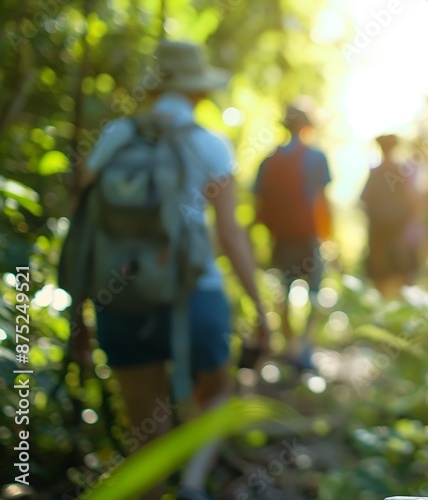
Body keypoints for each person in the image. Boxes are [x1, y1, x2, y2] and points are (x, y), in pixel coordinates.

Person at [70, 40, 269, 500]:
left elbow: (86, 227)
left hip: (121, 301)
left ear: (153, 89)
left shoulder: (114, 138)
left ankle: (156, 489)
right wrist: (261, 308)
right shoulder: (211, 146)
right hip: (195, 295)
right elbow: (232, 236)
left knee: (147, 436)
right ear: (198, 92)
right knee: (218, 397)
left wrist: (79, 311)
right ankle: (195, 485)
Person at [254, 100, 332, 369]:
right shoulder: (316, 157)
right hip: (308, 238)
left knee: (283, 290)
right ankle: (305, 345)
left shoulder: (270, 160)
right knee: (315, 291)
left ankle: (289, 345)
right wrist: (327, 238)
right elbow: (321, 202)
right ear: (306, 127)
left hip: (280, 239)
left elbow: (259, 204)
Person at [360, 134, 421, 298]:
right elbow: (413, 201)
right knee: (404, 277)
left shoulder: (375, 172)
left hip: (379, 234)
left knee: (381, 278)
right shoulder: (402, 171)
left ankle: (383, 317)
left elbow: (364, 201)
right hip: (398, 233)